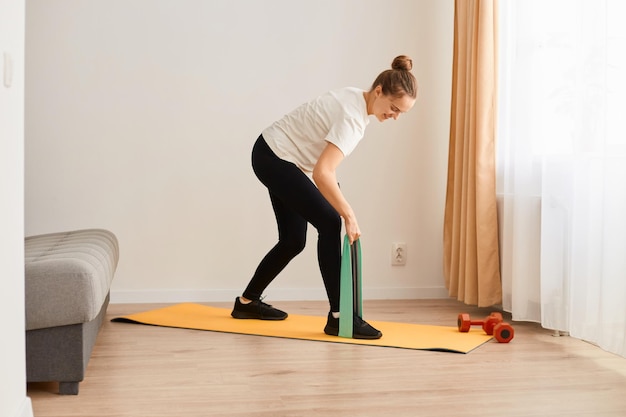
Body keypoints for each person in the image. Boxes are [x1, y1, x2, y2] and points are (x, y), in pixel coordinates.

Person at [231, 55, 418, 339]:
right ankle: (339, 317)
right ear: (379, 90)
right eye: (394, 108)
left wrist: (338, 202)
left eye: (401, 113)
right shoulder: (352, 119)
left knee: (293, 240)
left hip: (272, 153)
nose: (395, 116)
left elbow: (324, 170)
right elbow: (322, 173)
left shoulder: (356, 99)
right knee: (330, 223)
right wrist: (349, 214)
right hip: (276, 157)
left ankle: (246, 303)